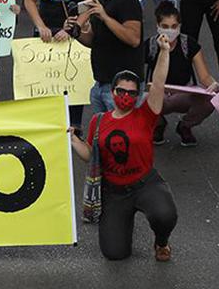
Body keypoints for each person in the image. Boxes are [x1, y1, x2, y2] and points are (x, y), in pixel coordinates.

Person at [69, 36, 179, 263]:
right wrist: (73, 141)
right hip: (115, 192)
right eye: (121, 91)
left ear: (137, 96)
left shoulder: (146, 115)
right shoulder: (98, 121)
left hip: (145, 183)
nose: (126, 96)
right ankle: (124, 221)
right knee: (114, 253)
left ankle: (161, 242)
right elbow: (91, 155)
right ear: (113, 91)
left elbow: (158, 83)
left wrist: (164, 51)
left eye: (132, 93)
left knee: (164, 215)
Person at [70, 0, 145, 122]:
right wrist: (75, 32)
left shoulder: (127, 1)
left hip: (123, 87)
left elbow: (133, 39)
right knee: (101, 137)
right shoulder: (102, 2)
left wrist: (105, 17)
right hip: (100, 84)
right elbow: (93, 41)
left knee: (121, 135)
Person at [147, 2, 219, 148]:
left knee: (211, 99)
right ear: (158, 26)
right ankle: (158, 124)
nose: (169, 31)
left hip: (183, 94)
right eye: (165, 26)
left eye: (174, 26)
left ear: (179, 26)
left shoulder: (189, 44)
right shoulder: (150, 45)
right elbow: (137, 75)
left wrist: (213, 84)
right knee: (137, 98)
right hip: (158, 96)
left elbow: (204, 76)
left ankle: (185, 126)